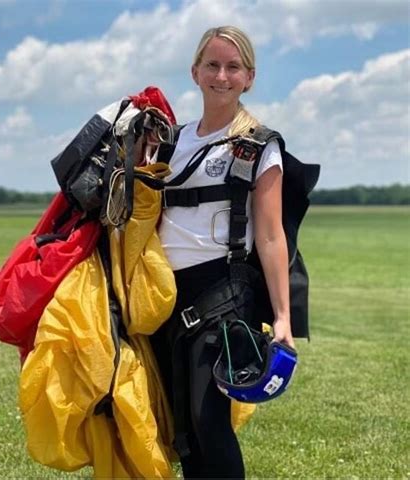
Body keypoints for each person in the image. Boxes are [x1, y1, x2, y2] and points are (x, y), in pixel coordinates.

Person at [150, 25, 296, 479]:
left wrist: (283, 317)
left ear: (249, 78)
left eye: (233, 67)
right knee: (182, 427)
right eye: (212, 65)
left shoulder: (258, 146)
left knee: (207, 418)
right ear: (195, 72)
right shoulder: (169, 143)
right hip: (163, 295)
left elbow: (271, 237)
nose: (222, 75)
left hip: (224, 293)